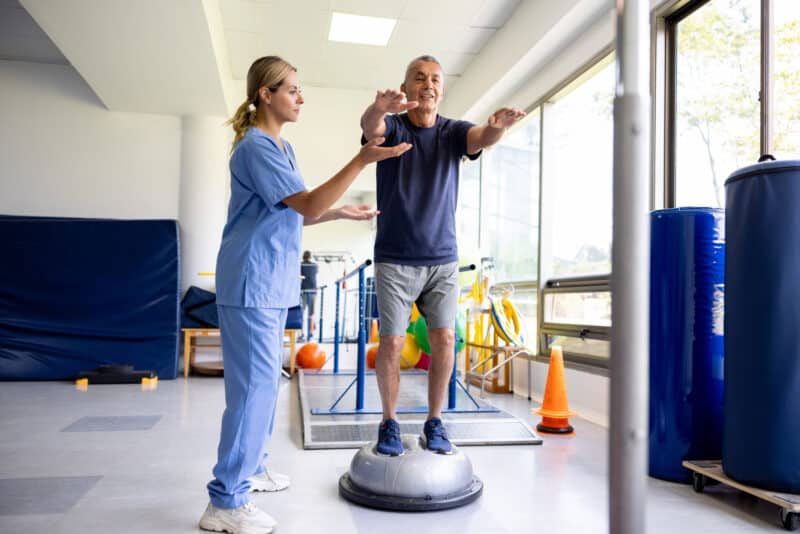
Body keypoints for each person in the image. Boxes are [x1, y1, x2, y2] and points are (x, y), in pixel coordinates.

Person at [200, 56, 410, 534]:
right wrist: (361, 160)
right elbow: (307, 202)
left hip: (270, 283)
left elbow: (301, 209)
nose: (300, 97)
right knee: (251, 394)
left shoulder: (282, 147)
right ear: (265, 95)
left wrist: (338, 215)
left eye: (299, 89)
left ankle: (251, 469)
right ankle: (225, 502)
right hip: (252, 281)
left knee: (263, 389)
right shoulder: (256, 148)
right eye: (291, 89)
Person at [360, 55, 525, 457]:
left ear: (442, 90)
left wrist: (497, 128)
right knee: (393, 344)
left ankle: (435, 421)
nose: (427, 85)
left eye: (434, 79)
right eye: (419, 78)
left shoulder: (453, 132)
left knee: (446, 338)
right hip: (395, 258)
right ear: (406, 86)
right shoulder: (394, 126)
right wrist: (380, 107)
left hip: (441, 259)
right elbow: (371, 128)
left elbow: (481, 137)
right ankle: (389, 423)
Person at [300, 250, 318, 339]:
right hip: (312, 291)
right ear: (310, 257)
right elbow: (314, 274)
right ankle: (311, 334)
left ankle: (302, 334)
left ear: (303, 256)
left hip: (303, 290)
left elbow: (301, 275)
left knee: (301, 313)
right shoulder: (315, 265)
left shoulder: (301, 265)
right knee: (312, 314)